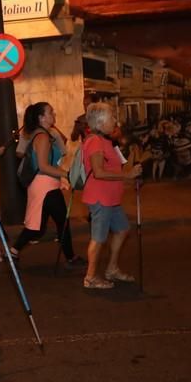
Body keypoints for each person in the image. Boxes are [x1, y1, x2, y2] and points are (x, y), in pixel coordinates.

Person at [10, 102, 85, 269]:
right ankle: (71, 258)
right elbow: (44, 166)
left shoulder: (41, 134)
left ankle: (14, 251)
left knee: (39, 226)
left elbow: (49, 163)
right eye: (50, 112)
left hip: (45, 185)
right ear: (41, 117)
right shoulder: (42, 137)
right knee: (57, 222)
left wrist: (64, 176)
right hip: (45, 187)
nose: (54, 115)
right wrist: (66, 174)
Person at [81, 102, 142, 289]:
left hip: (111, 199)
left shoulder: (105, 141)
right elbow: (98, 172)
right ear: (100, 123)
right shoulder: (95, 142)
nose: (115, 120)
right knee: (98, 238)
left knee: (122, 229)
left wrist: (130, 175)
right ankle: (90, 277)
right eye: (111, 117)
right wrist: (128, 175)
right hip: (101, 198)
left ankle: (112, 269)